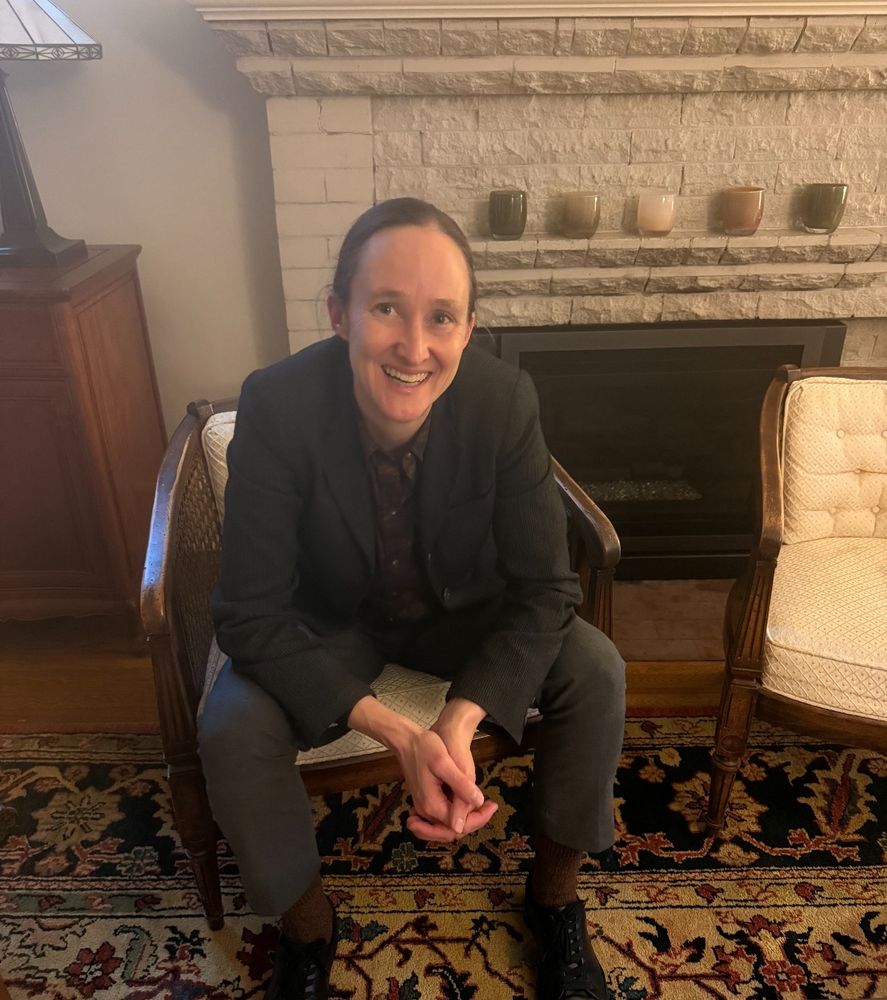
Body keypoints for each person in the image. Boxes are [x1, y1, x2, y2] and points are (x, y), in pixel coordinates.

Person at [200, 198, 625, 1000]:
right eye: (387, 308)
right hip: (330, 621)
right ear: (339, 313)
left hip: (461, 618)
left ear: (469, 328)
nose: (414, 346)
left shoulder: (504, 403)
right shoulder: (277, 404)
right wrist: (398, 732)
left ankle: (555, 902)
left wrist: (460, 719)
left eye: (441, 317)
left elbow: (545, 590)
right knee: (229, 725)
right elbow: (248, 610)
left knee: (595, 667)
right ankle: (307, 931)